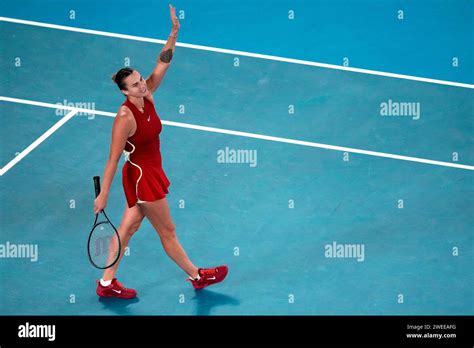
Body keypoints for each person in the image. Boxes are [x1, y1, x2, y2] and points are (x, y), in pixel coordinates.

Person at [93, 4, 228, 299]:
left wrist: (173, 35)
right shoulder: (124, 118)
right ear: (124, 91)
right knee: (168, 231)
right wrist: (103, 194)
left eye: (141, 80)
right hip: (143, 178)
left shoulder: (147, 94)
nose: (142, 85)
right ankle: (196, 276)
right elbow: (113, 160)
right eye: (135, 84)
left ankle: (106, 284)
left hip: (150, 172)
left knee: (127, 229)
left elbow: (162, 63)